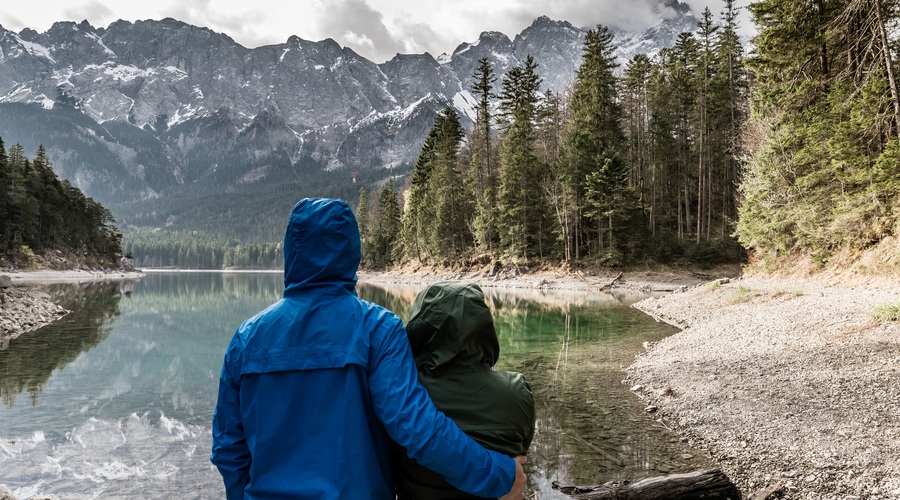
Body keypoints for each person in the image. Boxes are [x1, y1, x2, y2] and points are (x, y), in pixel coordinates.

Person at [210, 198, 526, 500]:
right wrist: (499, 474)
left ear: (291, 252)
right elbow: (416, 428)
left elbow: (228, 449)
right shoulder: (378, 327)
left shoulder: (246, 339)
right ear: (352, 252)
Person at [392, 280, 536, 500]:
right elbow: (522, 452)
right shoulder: (517, 392)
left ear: (419, 328)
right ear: (483, 327)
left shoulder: (402, 396)